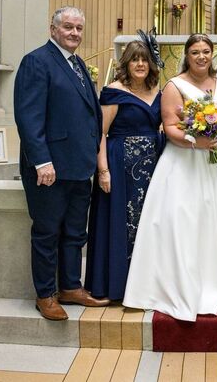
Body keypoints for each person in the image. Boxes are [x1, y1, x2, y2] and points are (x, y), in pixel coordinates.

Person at [122, 34, 217, 321]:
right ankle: (188, 284)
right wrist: (196, 141)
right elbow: (170, 126)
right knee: (189, 219)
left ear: (211, 54)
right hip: (187, 160)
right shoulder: (174, 85)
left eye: (206, 51)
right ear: (187, 55)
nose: (201, 56)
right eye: (195, 52)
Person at [14, 6, 109, 321]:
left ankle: (70, 286)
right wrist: (42, 161)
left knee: (75, 232)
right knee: (47, 233)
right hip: (50, 169)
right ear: (53, 29)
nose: (74, 33)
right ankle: (45, 294)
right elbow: (29, 117)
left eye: (79, 28)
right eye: (68, 27)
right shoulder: (37, 61)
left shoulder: (77, 63)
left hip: (79, 165)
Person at [85, 35, 164, 303]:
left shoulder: (157, 91)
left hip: (153, 168)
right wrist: (103, 171)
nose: (140, 64)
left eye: (145, 60)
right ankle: (118, 286)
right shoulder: (113, 91)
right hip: (120, 166)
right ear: (126, 64)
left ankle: (147, 285)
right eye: (134, 60)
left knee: (148, 223)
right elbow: (101, 133)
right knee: (121, 224)